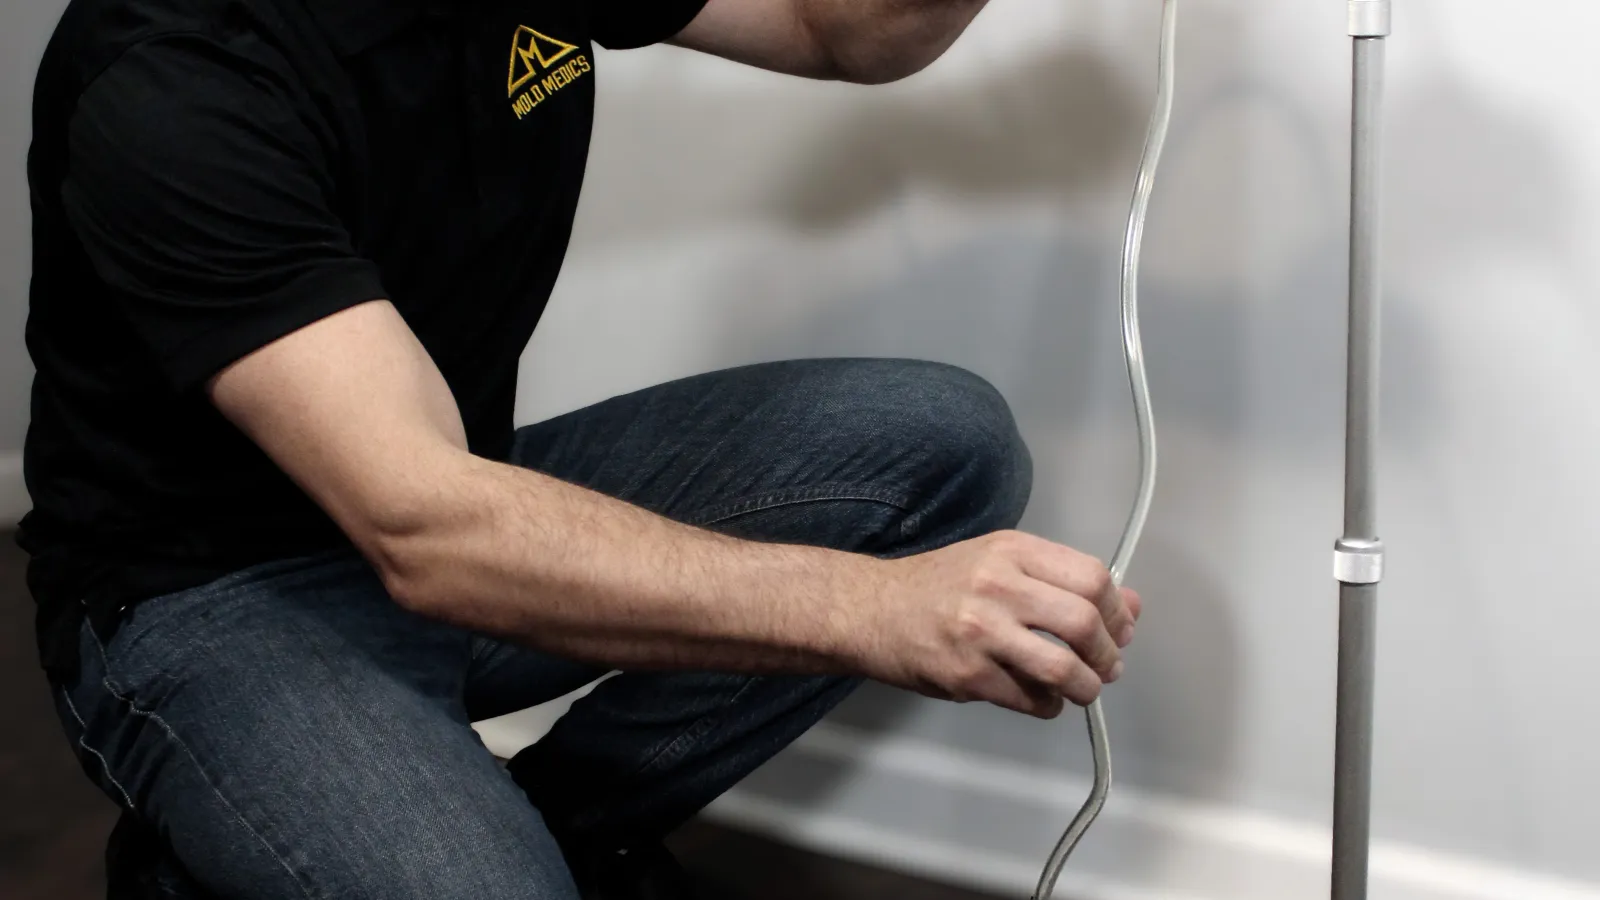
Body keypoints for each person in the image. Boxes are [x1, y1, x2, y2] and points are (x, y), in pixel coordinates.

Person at [20, 0, 1143, 897]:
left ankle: (554, 831)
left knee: (940, 447)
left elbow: (836, 28)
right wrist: (877, 610)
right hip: (210, 594)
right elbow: (429, 531)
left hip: (444, 496)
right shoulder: (172, 70)